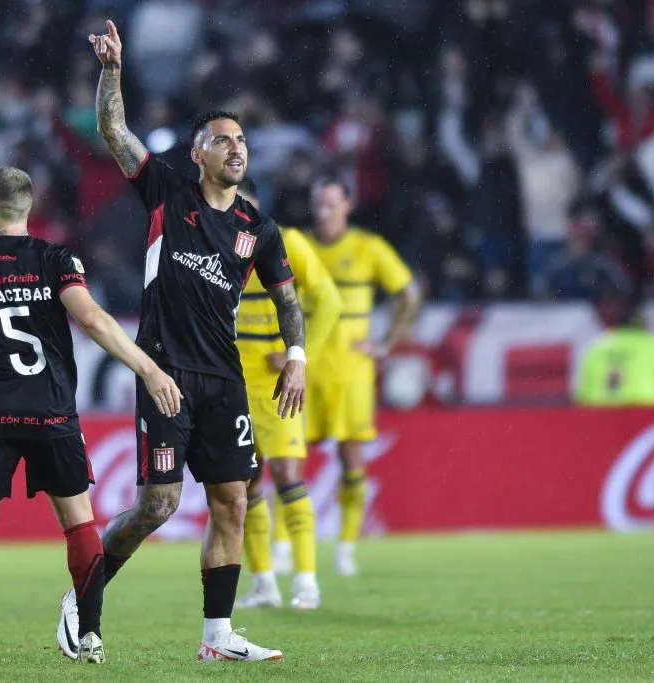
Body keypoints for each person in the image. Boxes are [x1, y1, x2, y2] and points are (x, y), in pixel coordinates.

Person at [57, 20, 306, 663]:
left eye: (242, 139)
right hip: (165, 370)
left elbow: (285, 298)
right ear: (196, 154)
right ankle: (83, 597)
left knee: (233, 500)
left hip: (224, 377)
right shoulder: (168, 189)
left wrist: (297, 357)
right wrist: (112, 71)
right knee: (159, 505)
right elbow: (114, 132)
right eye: (221, 140)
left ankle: (218, 638)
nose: (235, 147)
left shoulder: (259, 227)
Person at [0, 166, 182, 667]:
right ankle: (91, 635)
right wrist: (149, 369)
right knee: (78, 523)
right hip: (49, 410)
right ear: (28, 210)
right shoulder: (56, 259)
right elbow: (92, 318)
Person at [300, 176, 421, 577]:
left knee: (351, 456)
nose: (324, 211)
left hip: (352, 369)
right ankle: (286, 545)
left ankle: (347, 547)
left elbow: (410, 294)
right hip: (307, 366)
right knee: (289, 458)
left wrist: (386, 343)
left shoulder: (367, 249)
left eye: (331, 204)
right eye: (319, 203)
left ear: (347, 205)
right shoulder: (299, 246)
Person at [232, 178, 341, 611]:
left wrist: (298, 355)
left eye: (245, 205)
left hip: (277, 385)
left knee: (288, 475)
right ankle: (264, 584)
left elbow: (328, 302)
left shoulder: (286, 240)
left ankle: (307, 582)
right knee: (246, 483)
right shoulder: (214, 244)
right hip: (231, 381)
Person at [574, 297, 654, 406]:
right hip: (647, 420)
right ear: (644, 323)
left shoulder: (596, 349)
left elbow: (582, 397)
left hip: (601, 421)